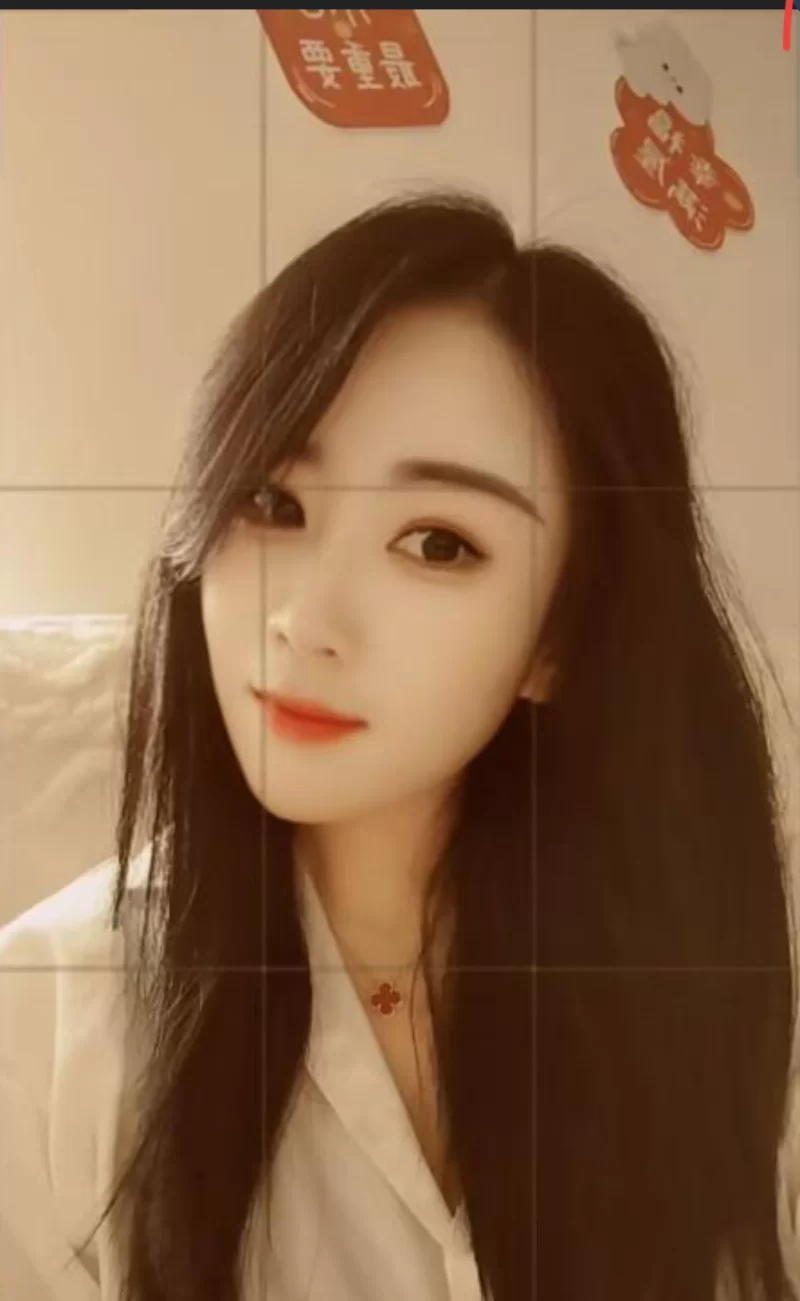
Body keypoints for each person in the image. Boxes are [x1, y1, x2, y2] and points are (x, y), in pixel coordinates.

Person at [0, 190, 798, 1301]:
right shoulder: (46, 1019)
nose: (304, 619)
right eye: (272, 502)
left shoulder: (714, 980)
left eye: (436, 543)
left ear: (558, 638)